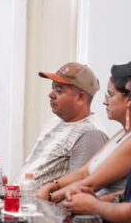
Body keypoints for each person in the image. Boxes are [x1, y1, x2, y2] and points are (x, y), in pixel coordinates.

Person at [38, 62, 131, 202]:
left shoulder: (94, 133)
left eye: (110, 95)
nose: (105, 102)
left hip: (100, 219)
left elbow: (91, 183)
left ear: (128, 100)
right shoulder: (120, 134)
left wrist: (50, 197)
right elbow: (84, 172)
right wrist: (52, 186)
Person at [14, 62, 108, 185]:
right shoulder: (56, 121)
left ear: (80, 98)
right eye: (53, 88)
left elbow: (75, 191)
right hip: (20, 200)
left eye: (59, 90)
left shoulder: (91, 135)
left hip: (41, 204)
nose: (51, 94)